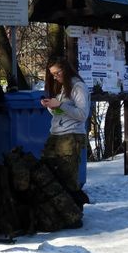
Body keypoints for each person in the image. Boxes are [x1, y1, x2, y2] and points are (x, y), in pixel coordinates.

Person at [40, 56, 90, 199]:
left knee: (67, 178)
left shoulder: (78, 86)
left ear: (66, 69)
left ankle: (74, 214)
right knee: (48, 173)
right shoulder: (62, 87)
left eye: (57, 73)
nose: (55, 77)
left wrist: (60, 105)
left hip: (71, 136)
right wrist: (51, 106)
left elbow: (82, 114)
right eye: (52, 74)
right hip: (56, 133)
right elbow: (61, 113)